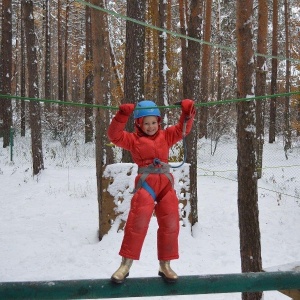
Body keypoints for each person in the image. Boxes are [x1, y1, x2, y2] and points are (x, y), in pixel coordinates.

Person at [107, 99, 195, 283]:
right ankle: (125, 265)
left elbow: (182, 129)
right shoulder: (133, 140)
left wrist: (187, 113)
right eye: (146, 123)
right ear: (139, 123)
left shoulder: (166, 136)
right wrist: (121, 116)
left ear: (159, 122)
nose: (150, 126)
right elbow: (114, 136)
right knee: (136, 223)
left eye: (154, 122)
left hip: (165, 185)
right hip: (146, 183)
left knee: (171, 223)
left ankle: (165, 265)